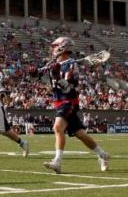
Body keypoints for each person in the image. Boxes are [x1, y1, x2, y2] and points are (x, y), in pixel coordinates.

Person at [40, 37, 110, 173]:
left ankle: (57, 161)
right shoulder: (53, 63)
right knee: (80, 134)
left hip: (69, 101)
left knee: (57, 127)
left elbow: (69, 88)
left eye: (55, 46)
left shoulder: (71, 65)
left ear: (62, 47)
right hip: (59, 101)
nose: (52, 49)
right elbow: (42, 77)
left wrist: (57, 76)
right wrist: (34, 73)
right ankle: (103, 155)